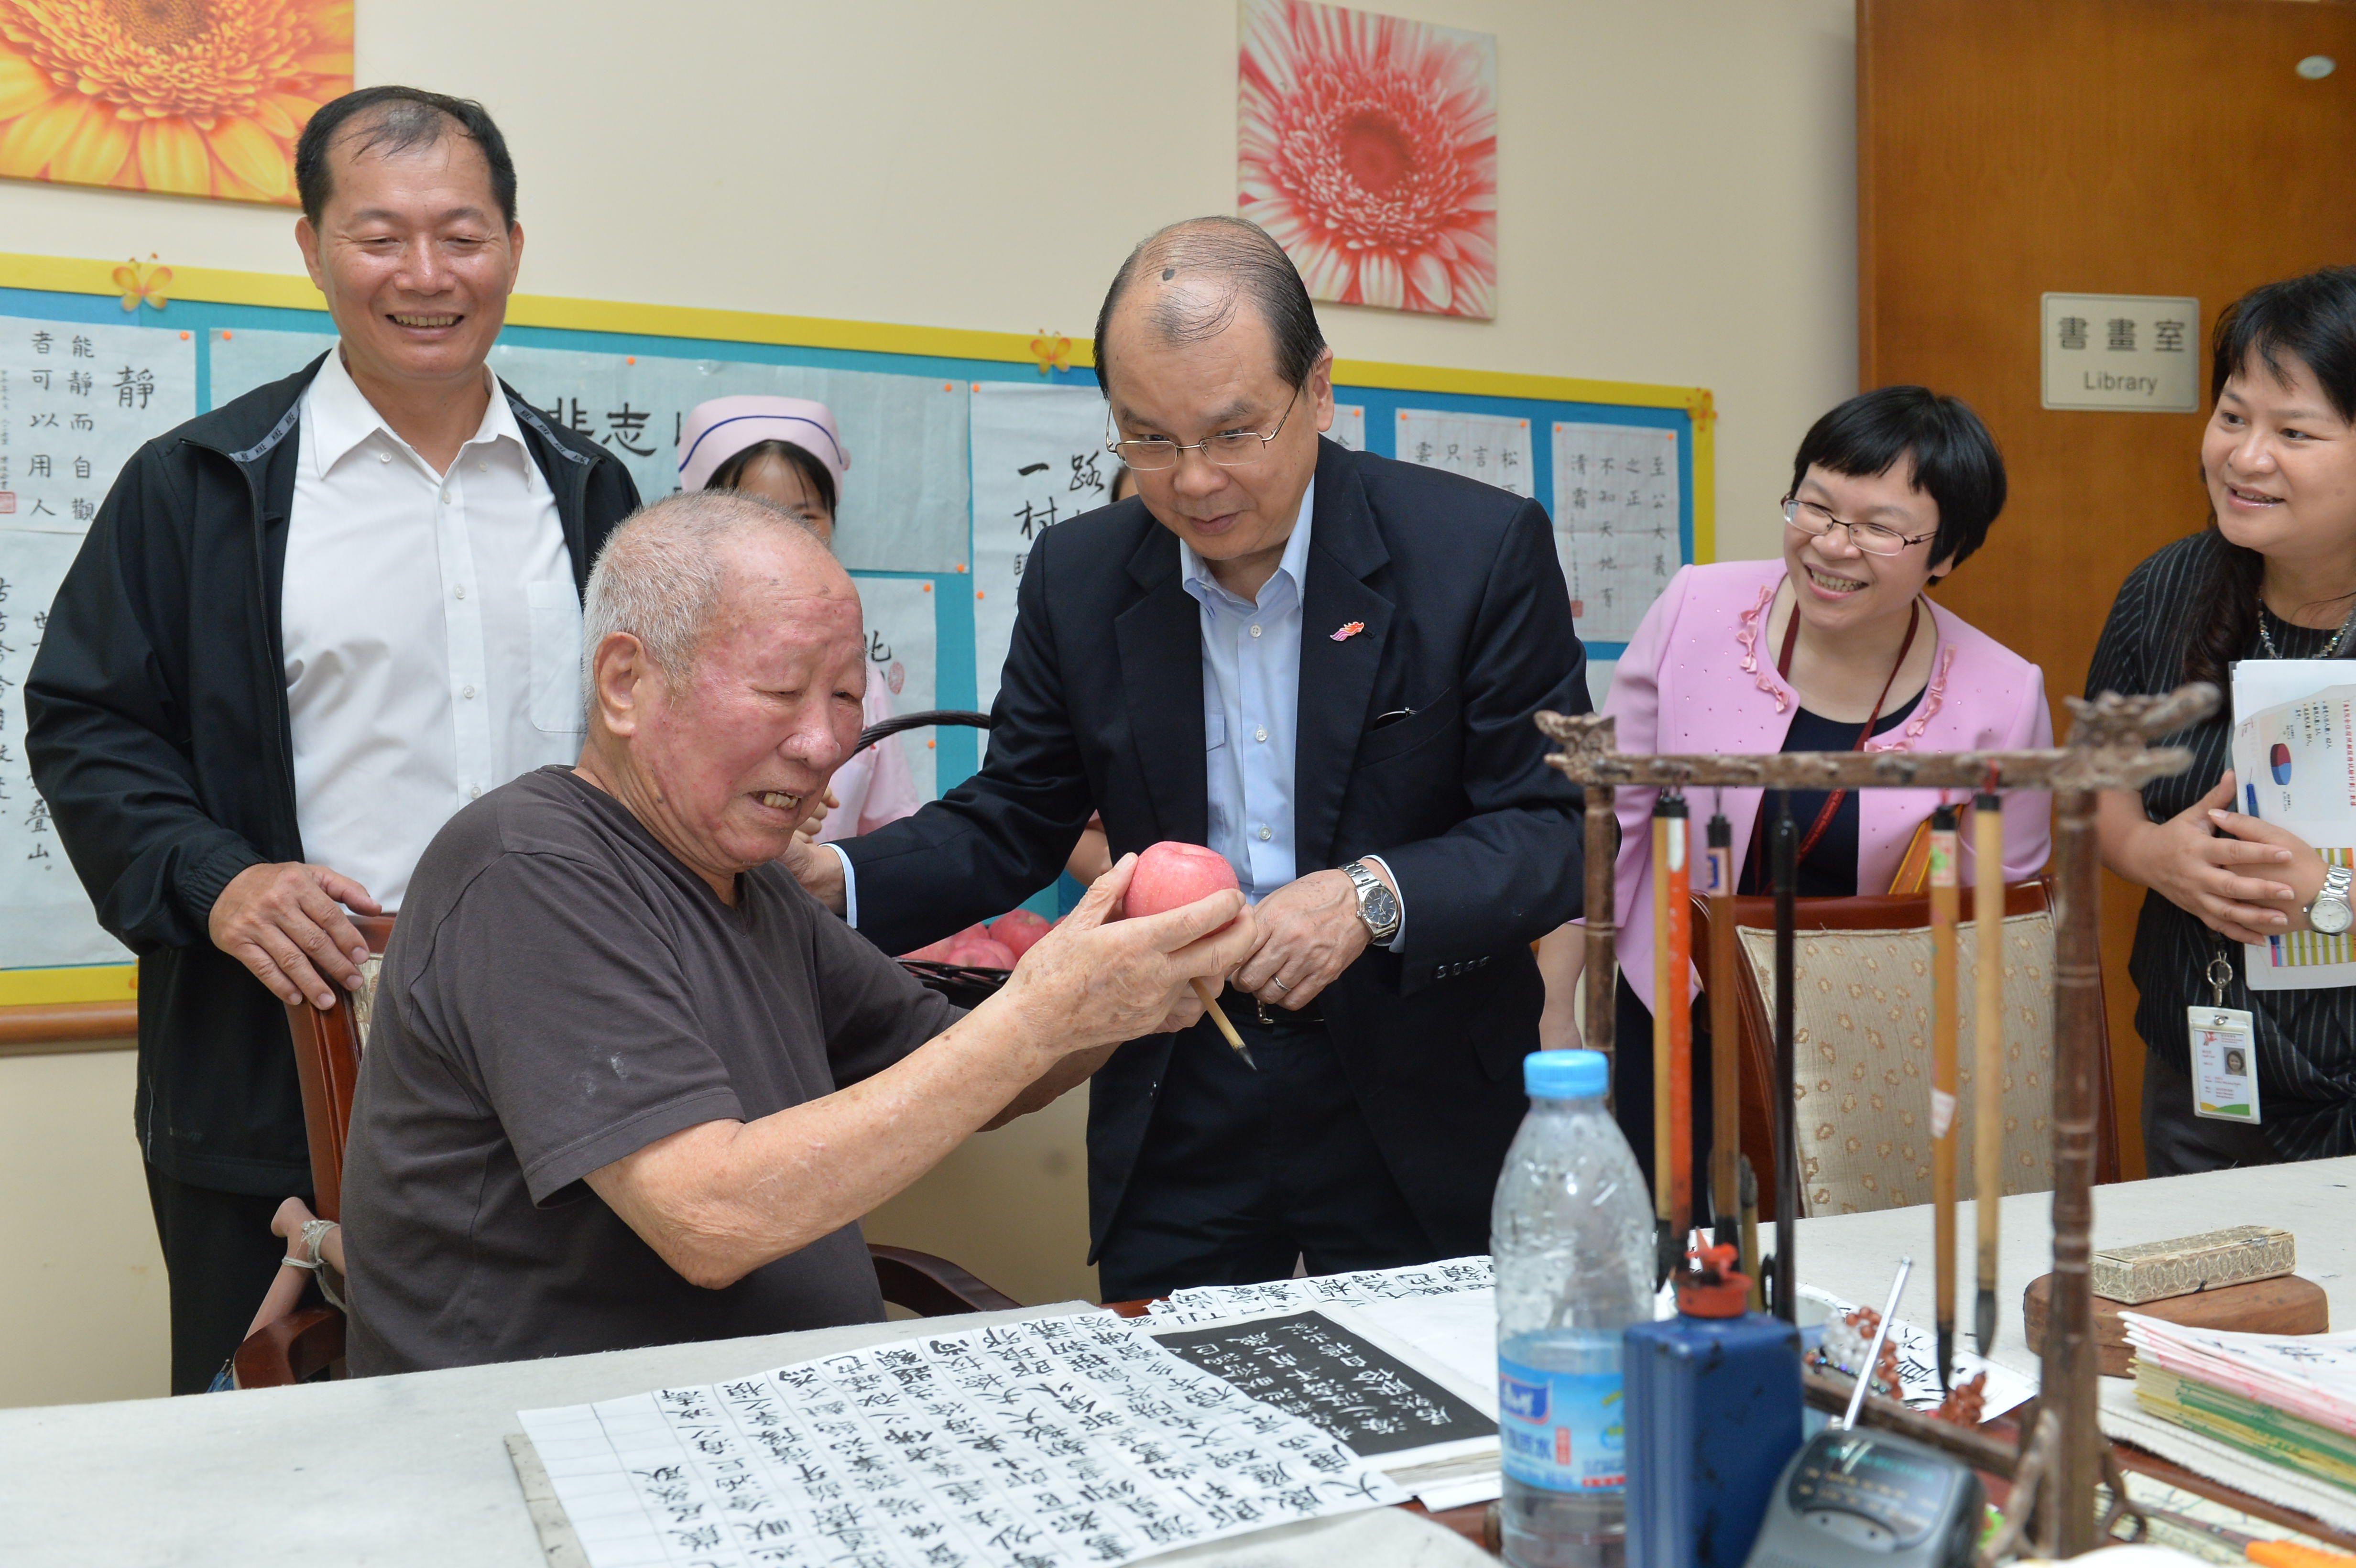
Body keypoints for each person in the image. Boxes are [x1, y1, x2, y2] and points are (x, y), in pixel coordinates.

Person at [786, 216, 1590, 1299]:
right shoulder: (1081, 575)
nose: (1194, 481)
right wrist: (825, 889)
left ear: (1317, 390)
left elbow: (1551, 831)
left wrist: (1372, 895)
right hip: (1181, 1088)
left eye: (1232, 432)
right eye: (1149, 439)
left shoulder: (1475, 552)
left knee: (1441, 1437)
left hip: (1416, 1091)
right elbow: (1016, 813)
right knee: (1165, 1416)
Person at [338, 492, 1254, 1372]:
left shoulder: (749, 884)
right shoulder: (528, 867)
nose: (824, 746)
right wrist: (1044, 1017)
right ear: (624, 682)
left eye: (848, 697)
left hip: (783, 1409)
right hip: (561, 1445)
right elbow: (707, 1218)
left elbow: (968, 1066)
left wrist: (1125, 986)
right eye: (781, 690)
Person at [23, 86, 641, 1394]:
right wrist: (219, 878)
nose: (426, 275)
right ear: (310, 248)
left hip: (571, 1060)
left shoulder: (593, 494)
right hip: (279, 1065)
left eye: (462, 235)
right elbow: (87, 722)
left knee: (565, 1408)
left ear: (515, 250)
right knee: (285, 1440)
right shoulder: (197, 485)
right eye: (380, 236)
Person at [1565, 387, 2052, 1182]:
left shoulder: (2002, 695)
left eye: (1881, 528)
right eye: (1816, 507)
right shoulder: (1697, 605)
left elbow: (1987, 921)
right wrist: (1575, 998)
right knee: (1670, 1259)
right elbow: (1610, 816)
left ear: (1946, 555)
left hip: (1862, 1042)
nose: (1832, 545)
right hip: (1670, 1001)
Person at [2090, 266, 2356, 1172]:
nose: (2244, 457)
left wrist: (2332, 889)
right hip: (2203, 1071)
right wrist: (2152, 856)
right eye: (2232, 416)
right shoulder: (2163, 589)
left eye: (2293, 432)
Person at [679, 395, 920, 841]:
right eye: (755, 514)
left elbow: (892, 831)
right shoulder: (676, 670)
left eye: (806, 516)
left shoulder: (864, 685)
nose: (785, 536)